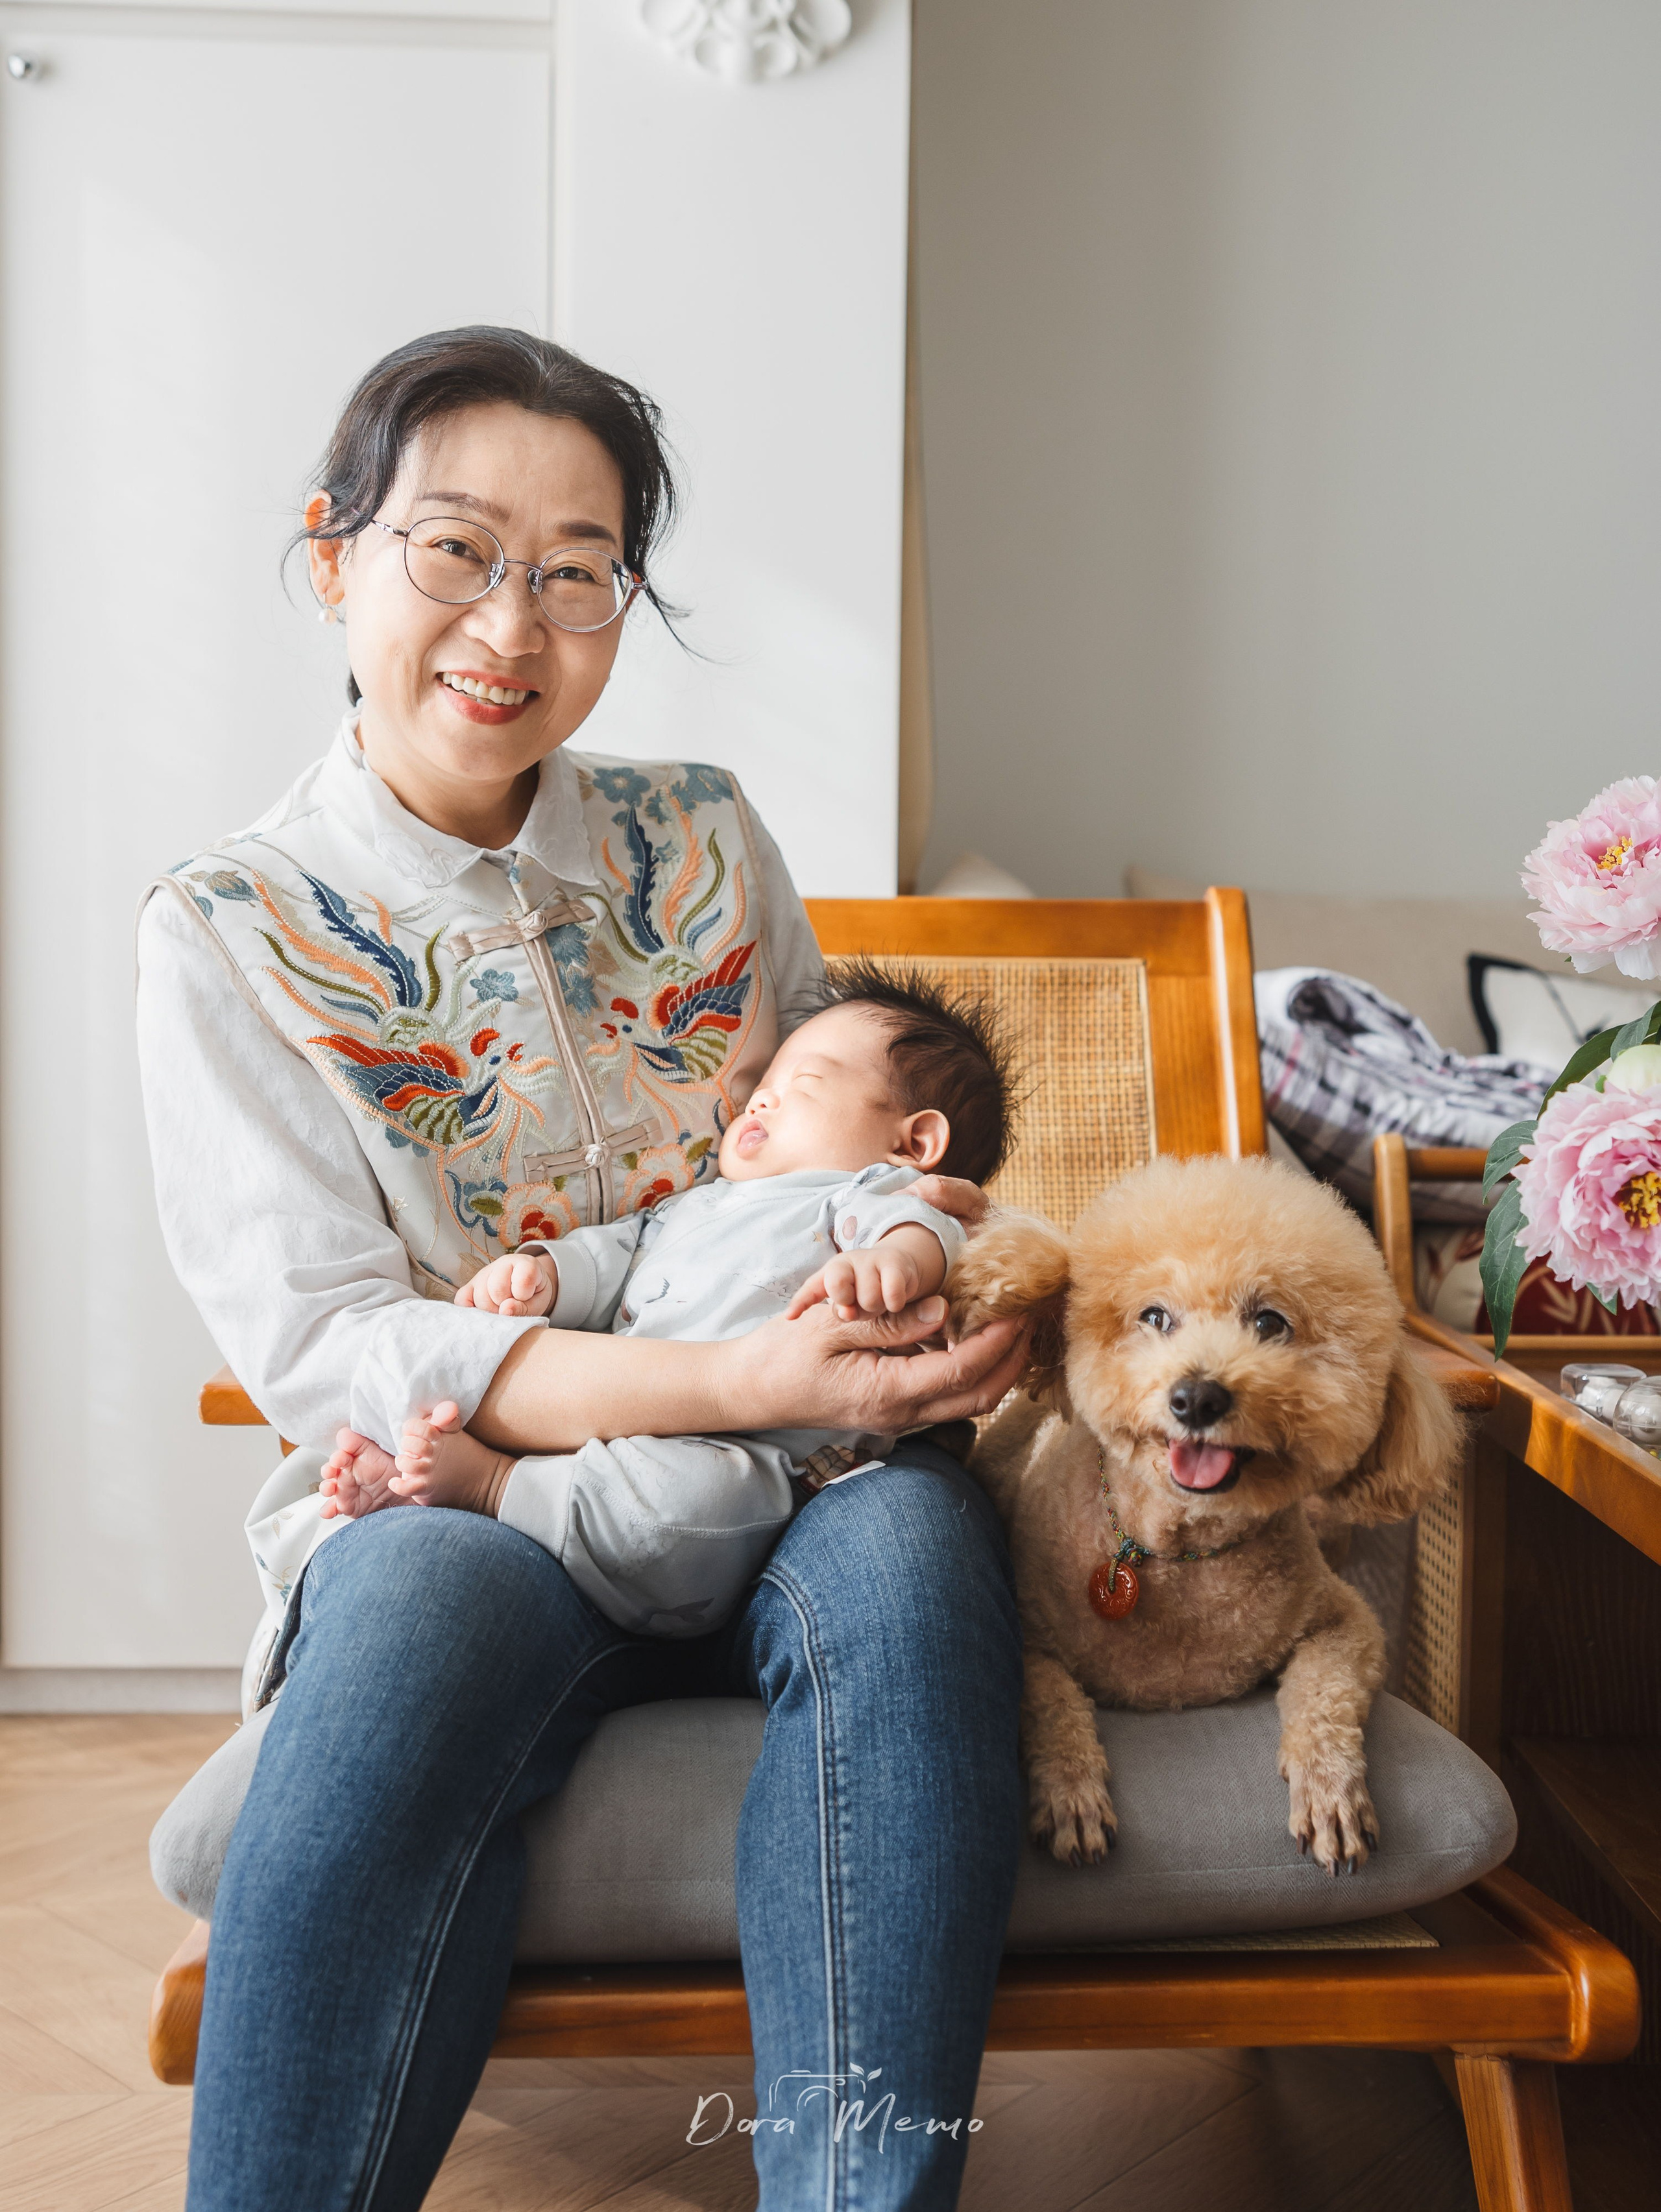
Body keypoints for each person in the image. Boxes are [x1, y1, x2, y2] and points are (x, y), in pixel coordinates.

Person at [139, 325, 1028, 2212]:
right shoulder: (232, 930)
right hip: (466, 1501)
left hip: (800, 1487)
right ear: (335, 554)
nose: (509, 624)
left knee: (915, 1545)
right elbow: (341, 1346)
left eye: (575, 568)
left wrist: (914, 1290)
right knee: (410, 1606)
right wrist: (729, 1381)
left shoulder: (700, 836)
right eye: (454, 548)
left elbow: (841, 1155)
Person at [313, 965, 1016, 1642]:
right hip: (618, 1413)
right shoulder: (697, 1204)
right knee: (609, 1462)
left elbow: (933, 1229)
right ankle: (432, 1484)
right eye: (762, 1085)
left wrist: (895, 1260)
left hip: (742, 1458)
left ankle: (493, 1486)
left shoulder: (862, 1196)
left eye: (802, 1084)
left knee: (697, 1503)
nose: (760, 1100)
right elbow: (618, 1252)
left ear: (912, 1141)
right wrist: (545, 1274)